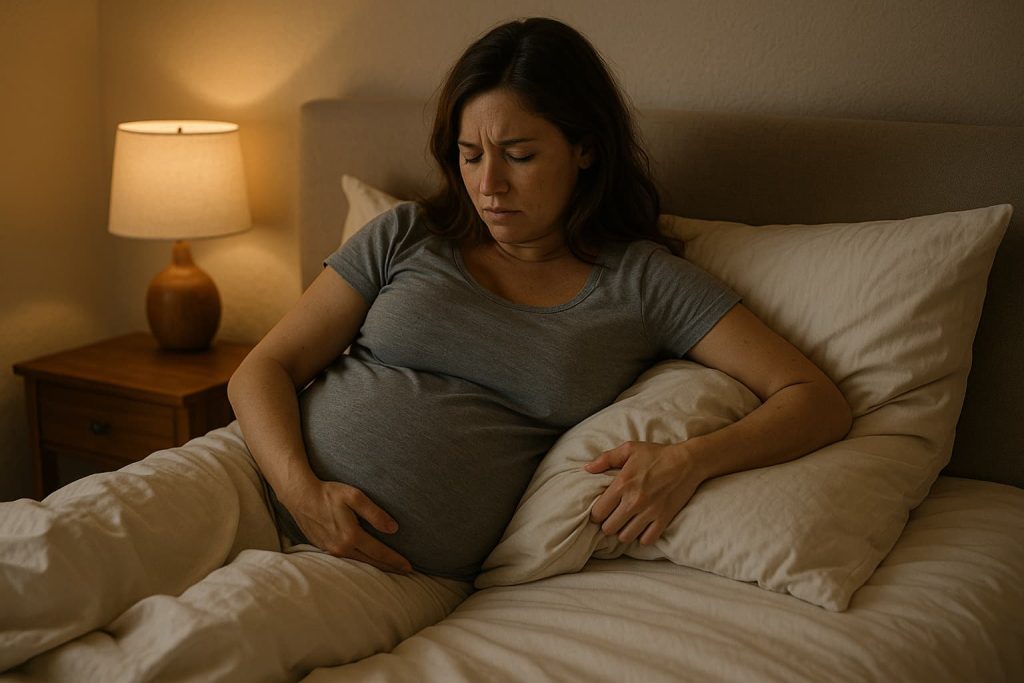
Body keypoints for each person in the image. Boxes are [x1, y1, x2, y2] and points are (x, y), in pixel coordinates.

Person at [0, 17, 851, 681]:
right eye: (470, 154)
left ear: (585, 149)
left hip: (393, 566)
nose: (489, 184)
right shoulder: (409, 232)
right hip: (250, 475)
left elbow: (815, 397)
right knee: (41, 554)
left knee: (178, 656)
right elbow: (263, 366)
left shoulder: (643, 281)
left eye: (520, 155)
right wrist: (306, 490)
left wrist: (693, 459)